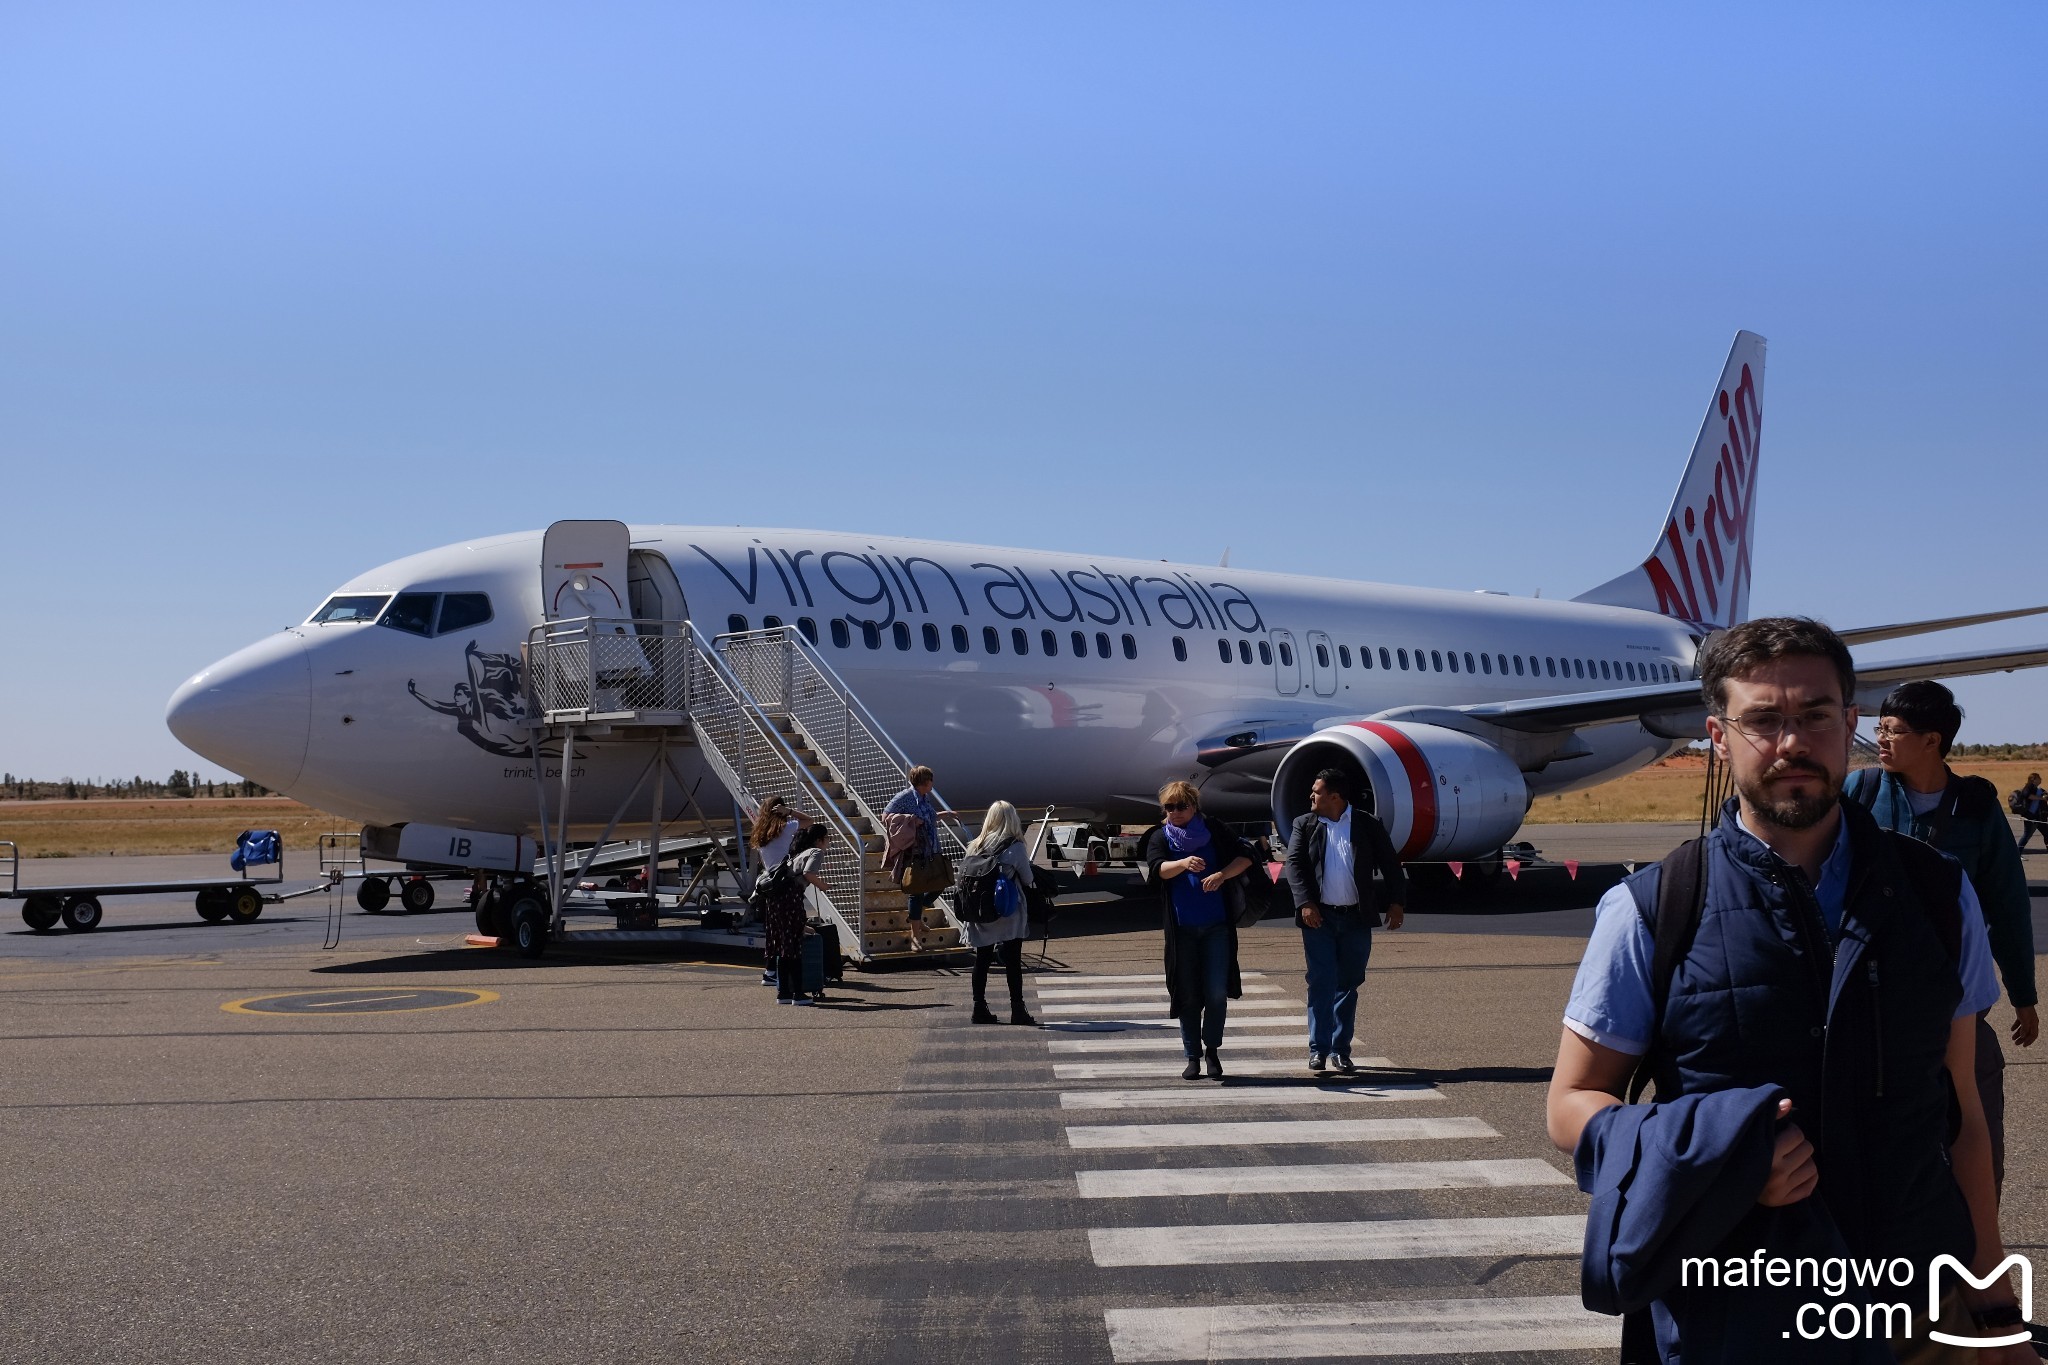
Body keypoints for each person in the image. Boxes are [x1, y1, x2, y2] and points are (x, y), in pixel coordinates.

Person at [1547, 618, 2025, 1362]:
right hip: (1734, 1314)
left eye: (1814, 715)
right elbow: (1571, 1104)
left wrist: (1996, 1311)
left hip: (1914, 1312)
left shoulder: (1938, 895)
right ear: (1718, 734)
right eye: (1764, 720)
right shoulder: (1653, 906)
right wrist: (1719, 1157)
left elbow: (1962, 1117)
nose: (1792, 742)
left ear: (1851, 724)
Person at [1844, 681, 2037, 1193]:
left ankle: (1973, 1257)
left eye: (1894, 731)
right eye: (1879, 728)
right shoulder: (1858, 795)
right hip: (1870, 1001)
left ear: (1933, 740)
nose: (1881, 739)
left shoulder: (1976, 809)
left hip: (1955, 1005)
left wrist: (2024, 996)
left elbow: (2008, 905)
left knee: (1974, 1141)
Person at [1283, 767, 1406, 1075]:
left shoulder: (1367, 823)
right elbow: (1294, 865)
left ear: (1334, 797)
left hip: (1356, 919)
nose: (1311, 795)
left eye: (1317, 791)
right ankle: (1318, 1049)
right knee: (1322, 982)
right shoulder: (1305, 824)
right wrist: (1306, 904)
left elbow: (1391, 864)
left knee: (1348, 983)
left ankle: (1341, 1050)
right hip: (1319, 918)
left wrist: (1396, 902)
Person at [1141, 781, 1257, 1079]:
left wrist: (1221, 874)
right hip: (1182, 931)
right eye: (1169, 807)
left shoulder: (1215, 829)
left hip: (1217, 926)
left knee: (1216, 992)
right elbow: (1156, 870)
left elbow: (1247, 857)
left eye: (1182, 806)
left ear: (1194, 806)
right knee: (1188, 995)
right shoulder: (1160, 836)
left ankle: (1212, 1050)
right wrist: (1182, 862)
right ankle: (1192, 1055)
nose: (1176, 812)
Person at [959, 800, 1038, 1027]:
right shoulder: (1015, 846)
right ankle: (1017, 1009)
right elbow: (1028, 879)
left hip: (981, 910)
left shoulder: (975, 845)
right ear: (1012, 819)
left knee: (982, 959)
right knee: (1013, 961)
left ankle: (979, 1007)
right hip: (1007, 910)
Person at [883, 765, 955, 945]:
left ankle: (917, 915)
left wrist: (945, 815)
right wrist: (911, 820)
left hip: (931, 850)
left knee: (941, 883)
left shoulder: (925, 798)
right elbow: (885, 816)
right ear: (924, 782)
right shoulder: (905, 797)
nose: (932, 783)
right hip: (915, 852)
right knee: (916, 892)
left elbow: (929, 818)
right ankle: (915, 935)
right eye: (931, 780)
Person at [765, 824, 831, 1006]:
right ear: (819, 840)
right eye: (828, 838)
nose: (828, 842)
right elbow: (809, 873)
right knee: (794, 946)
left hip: (776, 902)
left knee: (784, 946)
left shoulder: (796, 853)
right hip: (790, 901)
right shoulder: (815, 853)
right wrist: (824, 886)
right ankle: (798, 994)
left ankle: (783, 992)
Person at [2018, 772, 2048, 852]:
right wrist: (2041, 798)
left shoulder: (2038, 789)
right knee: (2027, 835)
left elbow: (2044, 795)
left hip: (2039, 816)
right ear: (2034, 779)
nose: (2041, 779)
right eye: (2039, 778)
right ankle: (2018, 853)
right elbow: (2027, 795)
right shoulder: (2029, 786)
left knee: (2046, 833)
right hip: (2030, 816)